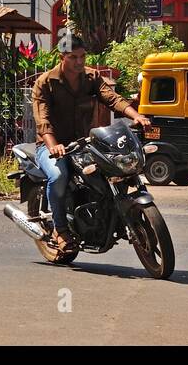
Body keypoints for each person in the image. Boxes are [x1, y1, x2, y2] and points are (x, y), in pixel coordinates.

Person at [32, 39, 150, 251]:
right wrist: (53, 146)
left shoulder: (92, 77)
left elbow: (112, 99)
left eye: (82, 57)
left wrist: (136, 115)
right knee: (58, 176)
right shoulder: (45, 83)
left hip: (85, 143)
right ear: (62, 58)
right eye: (73, 57)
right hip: (51, 146)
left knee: (114, 169)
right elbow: (43, 121)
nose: (79, 62)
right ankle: (60, 229)